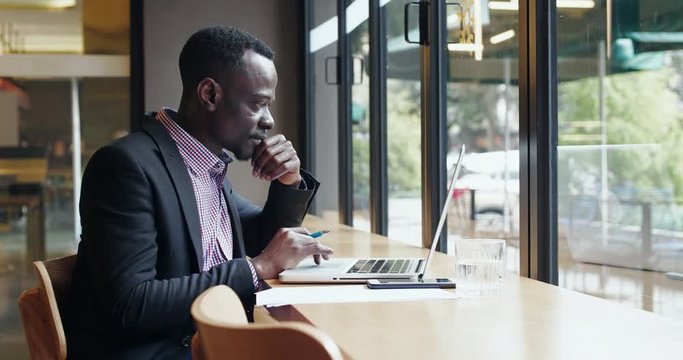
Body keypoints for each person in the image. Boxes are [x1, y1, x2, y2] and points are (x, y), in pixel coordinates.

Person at [67, 26, 333, 359]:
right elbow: (131, 304)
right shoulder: (125, 167)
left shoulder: (208, 168)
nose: (269, 120)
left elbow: (264, 239)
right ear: (209, 94)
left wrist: (288, 181)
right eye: (258, 104)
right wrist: (257, 269)